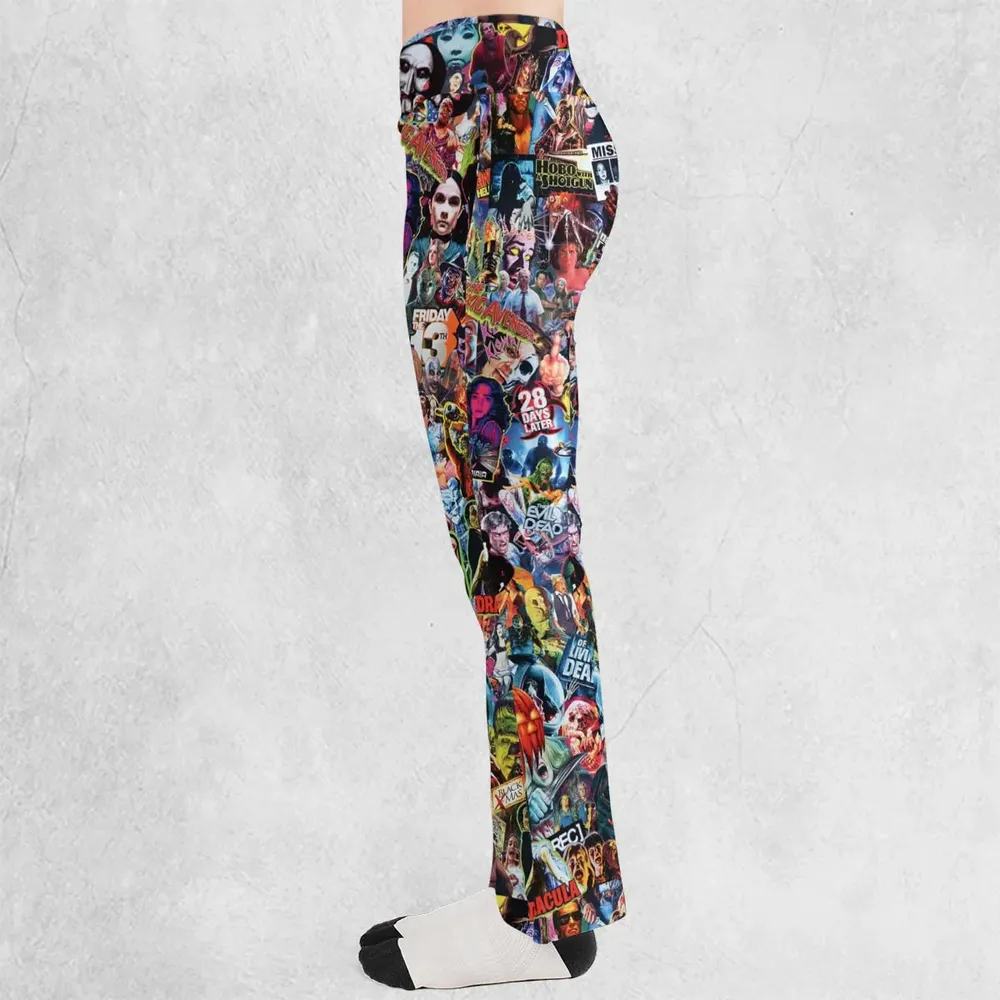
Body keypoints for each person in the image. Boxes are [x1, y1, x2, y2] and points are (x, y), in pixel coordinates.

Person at [360, 2, 626, 991]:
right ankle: (544, 888)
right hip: (447, 128)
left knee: (524, 541)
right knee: (490, 540)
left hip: (509, 113)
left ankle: (544, 907)